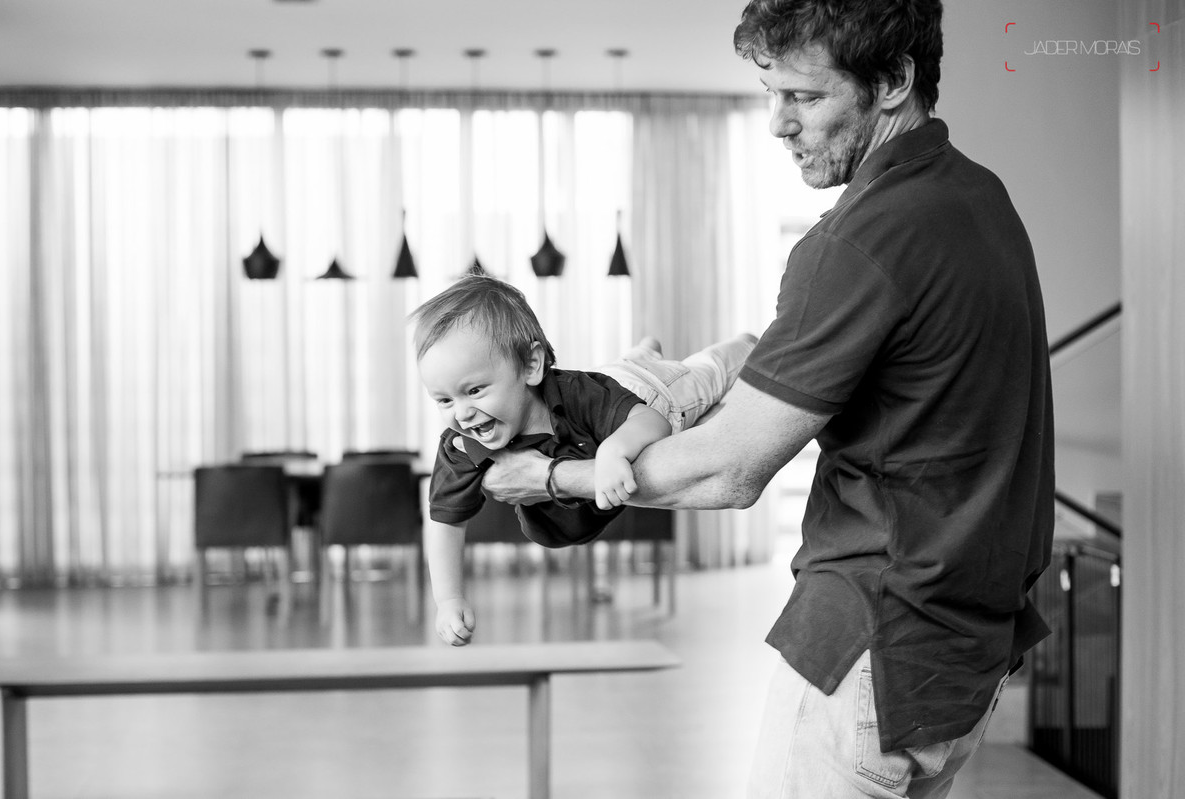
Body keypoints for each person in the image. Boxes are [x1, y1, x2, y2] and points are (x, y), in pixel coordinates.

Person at [468, 1, 1056, 797]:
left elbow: (729, 472)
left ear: (893, 81)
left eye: (805, 98)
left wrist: (546, 478)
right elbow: (897, 389)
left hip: (871, 651)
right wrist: (701, 377)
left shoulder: (855, 241)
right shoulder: (981, 201)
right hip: (966, 653)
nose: (779, 123)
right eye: (769, 92)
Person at [410, 274, 756, 647]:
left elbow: (651, 422)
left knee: (705, 375)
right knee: (625, 371)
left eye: (474, 391)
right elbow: (445, 520)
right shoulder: (462, 447)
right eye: (444, 400)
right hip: (610, 389)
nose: (462, 414)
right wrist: (448, 599)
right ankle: (644, 351)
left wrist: (613, 450)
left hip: (652, 394)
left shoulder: (578, 395)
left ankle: (741, 347)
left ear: (531, 366)